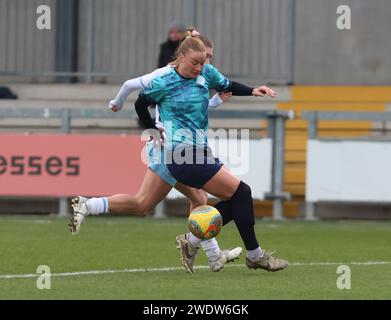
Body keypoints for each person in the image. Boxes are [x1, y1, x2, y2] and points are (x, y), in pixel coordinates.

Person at [69, 33, 240, 273]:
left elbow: (194, 107)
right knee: (145, 204)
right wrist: (116, 103)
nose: (206, 64)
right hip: (166, 149)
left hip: (178, 149)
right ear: (184, 55)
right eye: (203, 58)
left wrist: (216, 101)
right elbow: (130, 86)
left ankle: (212, 255)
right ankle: (90, 204)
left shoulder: (196, 76)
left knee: (195, 199)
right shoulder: (164, 75)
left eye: (209, 59)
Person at [140, 31, 289, 273]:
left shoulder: (206, 73)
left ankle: (193, 242)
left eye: (204, 61)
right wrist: (153, 131)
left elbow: (228, 85)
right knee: (242, 193)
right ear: (181, 57)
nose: (200, 67)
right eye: (195, 62)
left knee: (238, 197)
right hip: (181, 155)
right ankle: (254, 255)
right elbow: (140, 101)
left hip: (200, 151)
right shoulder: (165, 81)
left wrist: (253, 90)